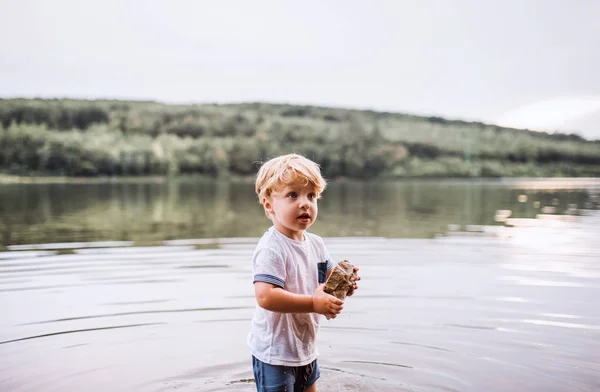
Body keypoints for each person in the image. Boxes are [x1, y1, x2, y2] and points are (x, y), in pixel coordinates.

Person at [248, 153, 360, 392]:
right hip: (275, 354)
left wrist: (345, 286)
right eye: (292, 195)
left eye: (311, 196)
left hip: (305, 348)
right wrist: (313, 303)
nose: (305, 203)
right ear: (269, 205)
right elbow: (265, 296)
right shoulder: (272, 248)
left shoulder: (316, 244)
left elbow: (328, 282)